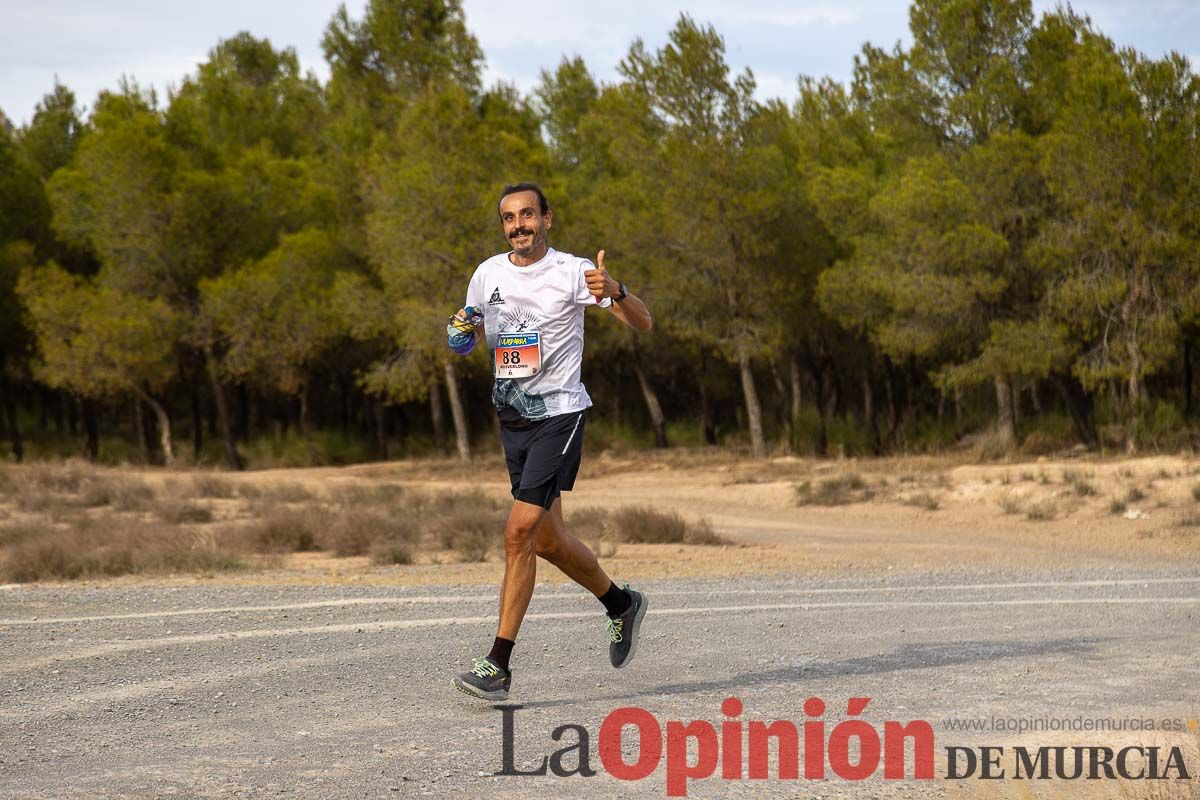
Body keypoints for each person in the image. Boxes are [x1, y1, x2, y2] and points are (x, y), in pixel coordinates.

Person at [446, 182, 654, 701]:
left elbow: (644, 324)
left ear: (547, 219)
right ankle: (620, 604)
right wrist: (459, 333)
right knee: (547, 541)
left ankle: (498, 664)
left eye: (528, 215)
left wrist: (618, 292)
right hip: (512, 418)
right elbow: (467, 336)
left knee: (518, 534)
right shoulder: (486, 273)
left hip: (561, 415)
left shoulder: (572, 272)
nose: (519, 225)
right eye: (510, 218)